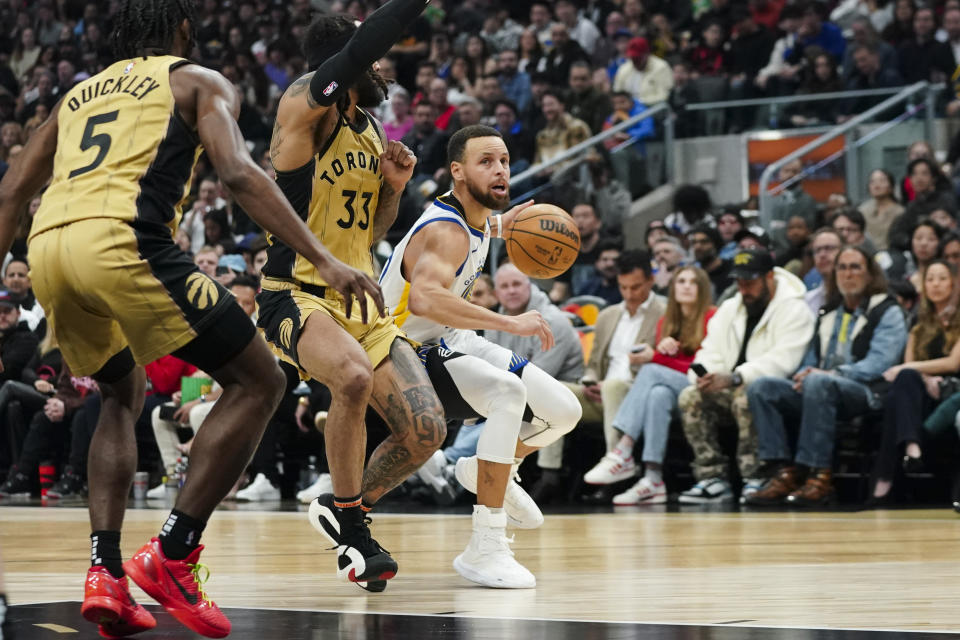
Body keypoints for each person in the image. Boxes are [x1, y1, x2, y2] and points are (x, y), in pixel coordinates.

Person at [0, 0, 387, 636]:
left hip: (48, 250)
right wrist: (323, 257)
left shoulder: (75, 95)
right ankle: (175, 553)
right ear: (183, 30)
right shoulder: (197, 80)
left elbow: (14, 188)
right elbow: (238, 172)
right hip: (125, 241)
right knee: (261, 381)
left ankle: (105, 572)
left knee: (121, 392)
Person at [257, 8, 446, 594]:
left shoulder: (368, 129)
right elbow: (358, 54)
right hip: (296, 294)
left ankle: (342, 508)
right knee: (353, 379)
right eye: (373, 57)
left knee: (425, 431)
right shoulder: (302, 108)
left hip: (359, 302)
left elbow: (371, 232)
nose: (384, 67)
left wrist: (392, 190)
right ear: (351, 59)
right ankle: (354, 525)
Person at [379, 125, 582, 588]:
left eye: (505, 161)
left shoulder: (475, 217)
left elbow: (476, 227)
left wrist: (503, 225)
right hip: (405, 349)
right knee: (508, 393)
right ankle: (484, 545)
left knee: (564, 411)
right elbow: (426, 300)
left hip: (450, 339)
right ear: (457, 171)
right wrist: (510, 322)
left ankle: (490, 469)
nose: (500, 170)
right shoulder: (447, 229)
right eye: (486, 161)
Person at [745, 246, 904, 506]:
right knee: (763, 387)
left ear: (870, 274)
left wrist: (829, 374)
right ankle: (781, 471)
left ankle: (819, 475)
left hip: (867, 391)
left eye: (855, 267)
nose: (848, 274)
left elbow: (879, 363)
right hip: (822, 387)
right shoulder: (828, 311)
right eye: (842, 267)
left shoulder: (886, 310)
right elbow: (811, 359)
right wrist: (803, 374)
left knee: (819, 381)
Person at [678, 248, 815, 503]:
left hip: (776, 389)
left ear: (769, 277)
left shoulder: (795, 308)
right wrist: (706, 376)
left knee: (747, 395)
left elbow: (784, 361)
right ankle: (712, 478)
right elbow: (709, 350)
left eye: (750, 283)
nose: (744, 289)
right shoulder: (730, 307)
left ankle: (756, 477)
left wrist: (736, 377)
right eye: (739, 283)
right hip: (729, 383)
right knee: (690, 396)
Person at [583, 266, 715, 505]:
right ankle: (653, 479)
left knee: (652, 370)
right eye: (681, 281)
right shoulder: (667, 321)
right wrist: (659, 356)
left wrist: (655, 356)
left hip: (703, 385)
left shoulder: (712, 316)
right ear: (673, 288)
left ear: (703, 288)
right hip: (674, 389)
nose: (686, 286)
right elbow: (670, 366)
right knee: (657, 395)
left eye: (692, 282)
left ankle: (623, 449)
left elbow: (698, 366)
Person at [870, 260, 960, 505]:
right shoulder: (918, 327)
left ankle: (887, 474)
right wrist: (923, 376)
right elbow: (909, 367)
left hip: (952, 395)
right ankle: (911, 446)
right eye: (930, 279)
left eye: (942, 278)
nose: (936, 284)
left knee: (899, 389)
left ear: (953, 283)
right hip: (923, 393)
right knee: (904, 381)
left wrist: (909, 368)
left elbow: (953, 363)